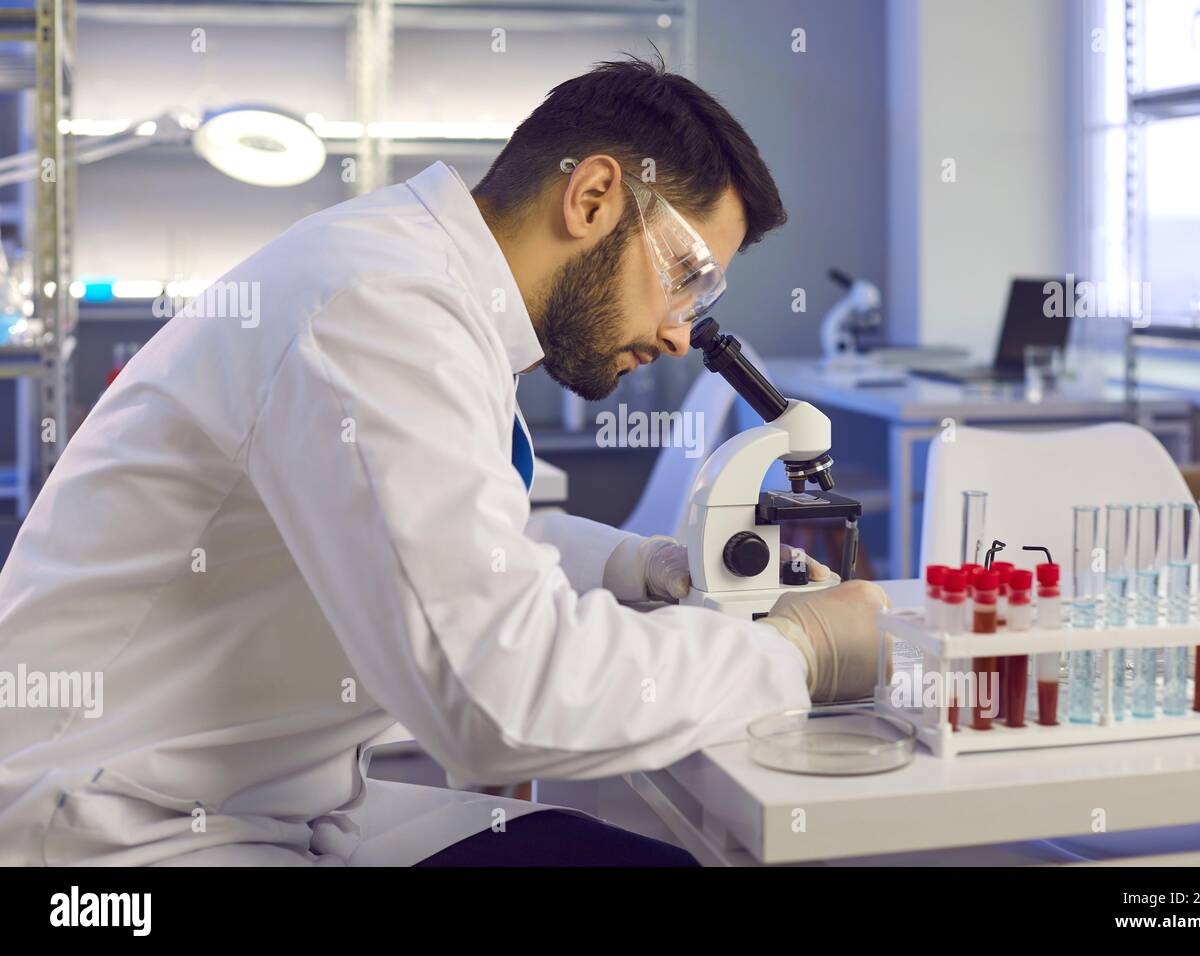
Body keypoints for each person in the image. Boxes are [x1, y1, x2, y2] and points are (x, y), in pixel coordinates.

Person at [0, 56, 887, 866]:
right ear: (593, 199)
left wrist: (641, 567)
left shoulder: (433, 289)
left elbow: (475, 537)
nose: (680, 330)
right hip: (106, 831)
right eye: (686, 275)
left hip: (269, 798)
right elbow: (499, 702)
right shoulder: (381, 307)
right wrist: (793, 654)